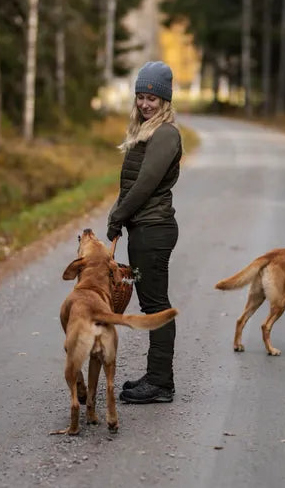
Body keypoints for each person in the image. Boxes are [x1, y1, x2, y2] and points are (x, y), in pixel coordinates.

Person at [107, 61, 182, 404]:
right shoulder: (146, 131)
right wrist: (122, 217)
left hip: (154, 229)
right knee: (152, 303)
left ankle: (161, 383)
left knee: (156, 305)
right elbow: (130, 184)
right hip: (143, 228)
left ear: (165, 100)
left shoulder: (166, 133)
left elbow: (145, 184)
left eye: (152, 97)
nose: (145, 104)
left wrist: (118, 215)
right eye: (140, 96)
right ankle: (155, 376)